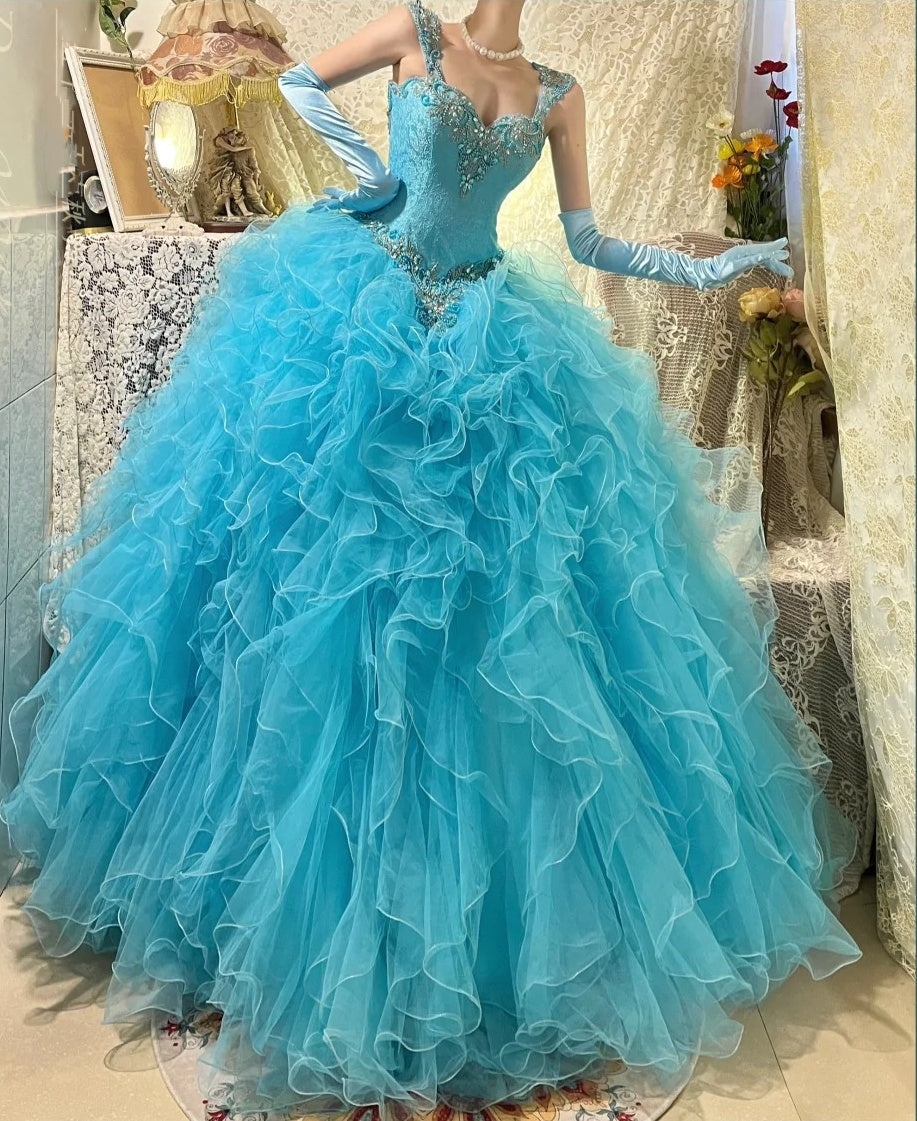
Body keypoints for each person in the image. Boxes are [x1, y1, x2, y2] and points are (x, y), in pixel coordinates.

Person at [0, 1, 860, 1115]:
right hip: (365, 327)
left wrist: (716, 268)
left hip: (492, 345)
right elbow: (297, 82)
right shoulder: (410, 29)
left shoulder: (558, 93)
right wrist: (368, 173)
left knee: (500, 627)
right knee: (329, 603)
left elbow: (589, 240)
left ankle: (481, 926)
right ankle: (298, 907)